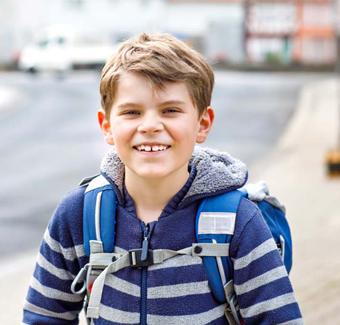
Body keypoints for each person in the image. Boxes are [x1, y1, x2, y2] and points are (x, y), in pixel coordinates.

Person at [22, 32, 303, 325]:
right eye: (132, 112)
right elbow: (43, 317)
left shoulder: (237, 221)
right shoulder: (78, 216)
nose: (151, 126)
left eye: (170, 110)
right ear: (106, 126)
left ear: (202, 123)